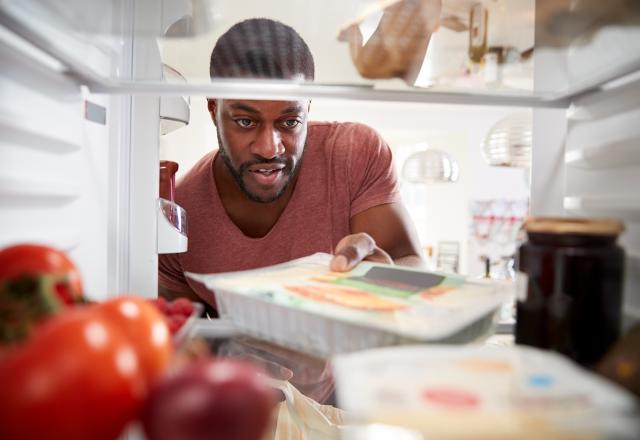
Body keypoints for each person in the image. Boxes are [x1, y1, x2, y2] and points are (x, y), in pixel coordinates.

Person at [158, 18, 425, 314]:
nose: (269, 148)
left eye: (289, 122)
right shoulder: (180, 213)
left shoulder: (354, 154)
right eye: (245, 122)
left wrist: (387, 277)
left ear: (307, 107)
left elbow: (413, 266)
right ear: (213, 110)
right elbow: (183, 337)